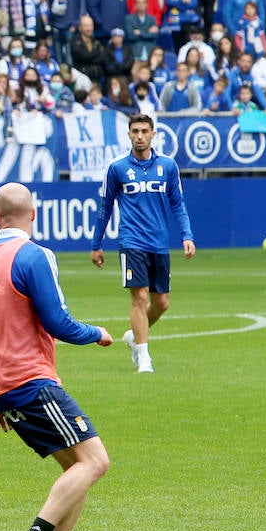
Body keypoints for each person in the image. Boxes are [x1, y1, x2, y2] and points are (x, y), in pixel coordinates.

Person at [0, 182, 115, 531]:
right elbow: (57, 322)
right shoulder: (34, 255)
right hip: (31, 380)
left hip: (4, 388)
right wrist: (95, 332)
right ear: (34, 214)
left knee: (75, 466)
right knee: (95, 462)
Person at [90, 114, 196, 373]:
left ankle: (133, 336)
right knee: (139, 296)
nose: (139, 135)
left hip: (159, 242)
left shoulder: (168, 166)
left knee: (162, 303)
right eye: (135, 131)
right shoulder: (117, 168)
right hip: (131, 240)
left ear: (153, 134)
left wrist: (187, 235)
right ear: (128, 134)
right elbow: (105, 207)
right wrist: (97, 243)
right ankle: (144, 357)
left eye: (144, 131)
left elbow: (177, 203)